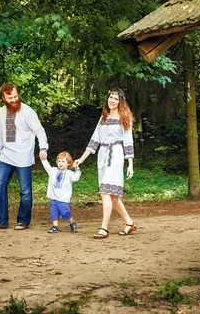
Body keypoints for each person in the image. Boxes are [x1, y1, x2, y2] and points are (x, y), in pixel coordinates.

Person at [74, 88, 136, 239]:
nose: (112, 100)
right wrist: (81, 159)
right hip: (102, 156)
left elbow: (128, 141)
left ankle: (104, 228)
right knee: (113, 196)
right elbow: (94, 140)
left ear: (121, 101)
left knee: (105, 192)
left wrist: (130, 164)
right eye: (110, 98)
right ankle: (129, 223)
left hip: (115, 155)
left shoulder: (124, 117)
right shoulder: (103, 117)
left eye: (115, 98)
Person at [0, 82, 48, 231]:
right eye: (10, 98)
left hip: (23, 156)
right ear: (3, 98)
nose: (14, 100)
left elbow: (39, 130)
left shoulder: (27, 112)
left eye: (15, 96)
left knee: (25, 191)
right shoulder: (1, 112)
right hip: (6, 156)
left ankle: (23, 221)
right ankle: (1, 220)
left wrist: (43, 147)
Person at [41, 151, 81, 233]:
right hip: (54, 197)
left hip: (63, 198)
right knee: (54, 212)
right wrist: (44, 159)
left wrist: (77, 169)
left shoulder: (70, 174)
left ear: (68, 163)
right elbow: (47, 166)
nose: (60, 163)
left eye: (63, 161)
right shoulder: (53, 171)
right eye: (59, 161)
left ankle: (72, 223)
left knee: (65, 212)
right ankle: (55, 226)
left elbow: (76, 178)